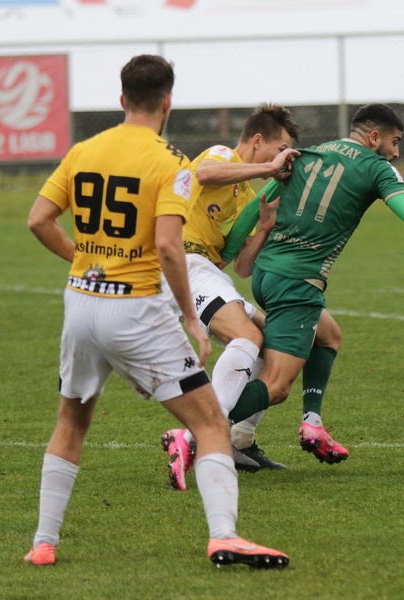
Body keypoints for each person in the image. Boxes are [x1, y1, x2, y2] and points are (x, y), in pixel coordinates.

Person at [24, 54, 288, 569]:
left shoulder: (84, 149)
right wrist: (191, 317)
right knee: (211, 421)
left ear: (121, 100)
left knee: (72, 421)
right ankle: (224, 536)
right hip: (135, 309)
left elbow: (38, 220)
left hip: (81, 302)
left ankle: (43, 541)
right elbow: (169, 246)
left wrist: (84, 260)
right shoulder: (171, 162)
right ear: (168, 102)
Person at [220, 103, 404, 464]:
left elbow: (256, 206)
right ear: (375, 137)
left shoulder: (307, 154)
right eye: (395, 141)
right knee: (276, 386)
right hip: (297, 282)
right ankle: (196, 431)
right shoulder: (376, 167)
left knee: (328, 336)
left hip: (267, 275)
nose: (397, 152)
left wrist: (223, 256)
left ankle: (312, 422)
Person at [158, 103, 301, 489]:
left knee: (274, 343)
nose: (281, 158)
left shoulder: (245, 195)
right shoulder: (223, 155)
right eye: (279, 148)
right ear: (258, 141)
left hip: (203, 270)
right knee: (247, 337)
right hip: (182, 262)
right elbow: (204, 172)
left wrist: (265, 227)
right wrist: (271, 169)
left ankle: (239, 440)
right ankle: (206, 435)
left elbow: (238, 267)